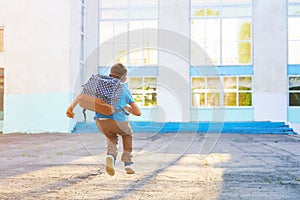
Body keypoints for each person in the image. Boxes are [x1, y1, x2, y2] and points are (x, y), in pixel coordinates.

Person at [66, 63, 141, 176]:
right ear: (124, 79)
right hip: (119, 122)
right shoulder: (123, 88)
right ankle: (128, 163)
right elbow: (138, 112)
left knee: (111, 138)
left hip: (101, 122)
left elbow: (81, 95)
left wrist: (70, 109)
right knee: (127, 134)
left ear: (110, 74)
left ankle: (111, 156)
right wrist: (127, 107)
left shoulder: (100, 84)